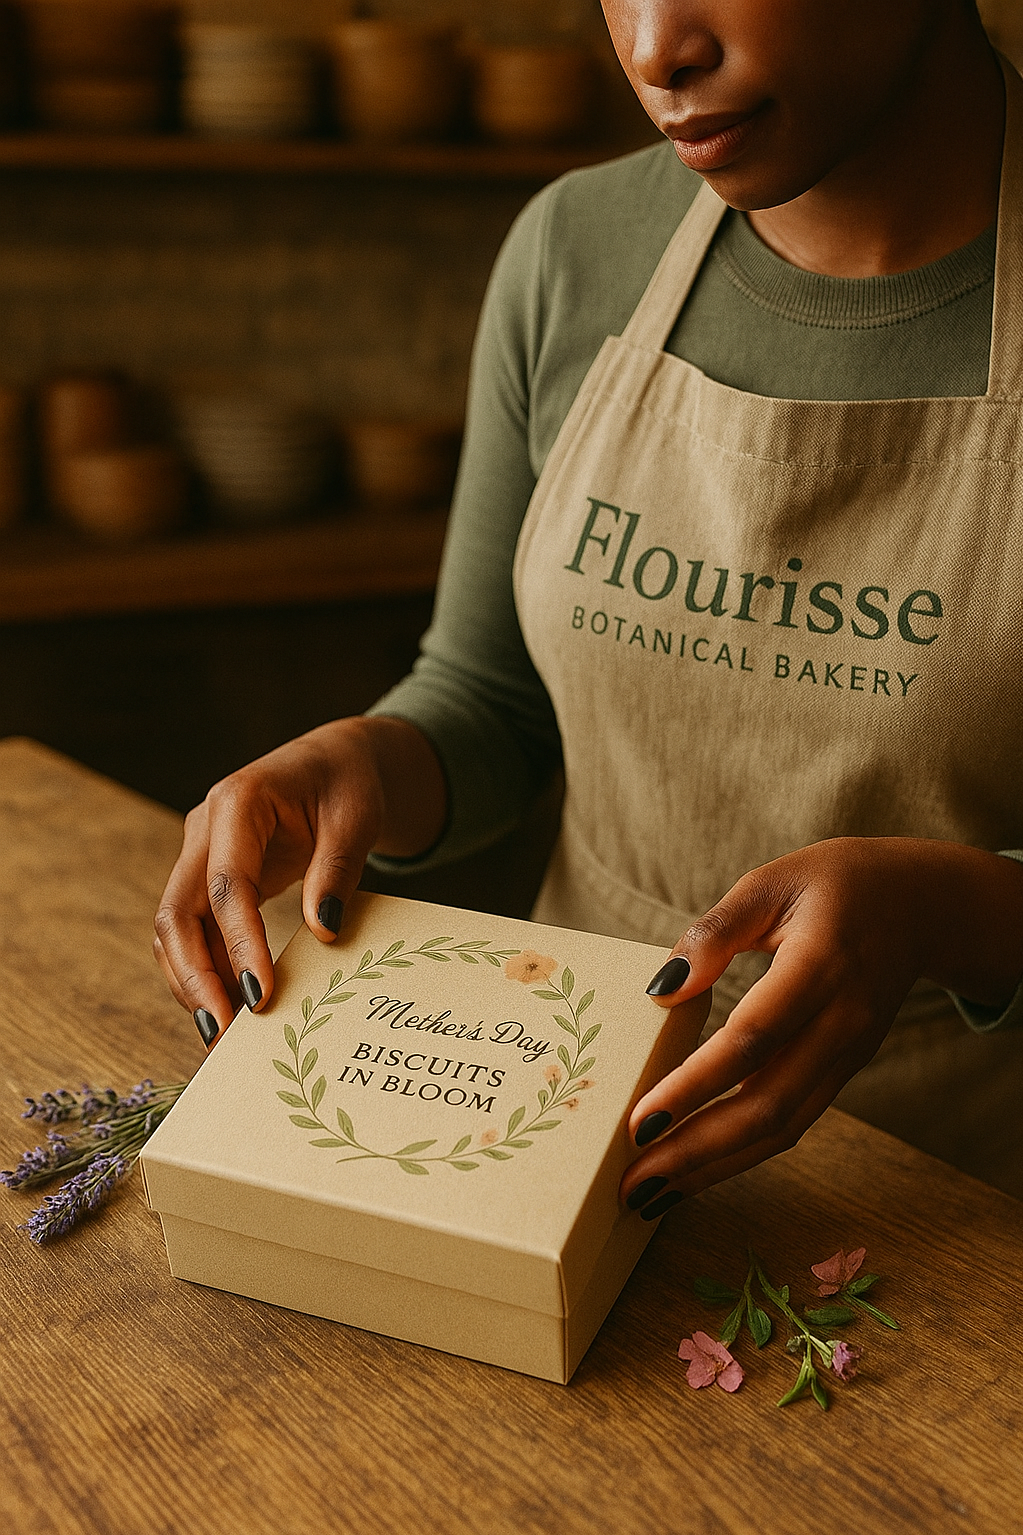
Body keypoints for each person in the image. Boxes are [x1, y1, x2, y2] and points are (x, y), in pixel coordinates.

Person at [154, 0, 1023, 1211]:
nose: (655, 48)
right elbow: (491, 704)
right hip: (565, 1145)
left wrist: (948, 911)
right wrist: (359, 758)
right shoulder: (576, 248)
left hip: (960, 1208)